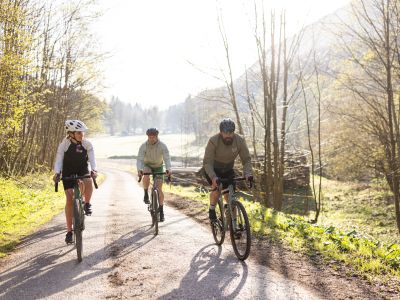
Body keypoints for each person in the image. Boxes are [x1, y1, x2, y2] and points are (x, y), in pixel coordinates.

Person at [53, 120, 97, 244]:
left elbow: (92, 158)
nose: (81, 135)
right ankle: (69, 231)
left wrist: (94, 170)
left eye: (82, 132)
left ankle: (87, 203)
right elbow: (59, 159)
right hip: (67, 170)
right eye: (78, 133)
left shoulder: (87, 144)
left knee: (88, 180)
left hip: (82, 168)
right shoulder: (64, 144)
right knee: (69, 199)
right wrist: (57, 173)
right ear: (71, 133)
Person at [203, 118, 253, 221]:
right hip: (213, 169)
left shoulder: (239, 141)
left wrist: (248, 173)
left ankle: (233, 224)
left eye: (231, 132)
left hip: (228, 169)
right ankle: (212, 209)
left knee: (230, 197)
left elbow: (246, 159)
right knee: (217, 190)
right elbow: (207, 162)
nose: (228, 135)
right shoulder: (213, 141)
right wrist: (213, 177)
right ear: (221, 132)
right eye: (226, 132)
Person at [137, 128, 171, 222]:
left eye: (153, 137)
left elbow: (167, 158)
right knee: (146, 175)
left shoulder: (162, 146)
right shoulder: (144, 146)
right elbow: (140, 159)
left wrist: (168, 169)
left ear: (157, 136)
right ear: (147, 137)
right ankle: (145, 193)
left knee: (159, 189)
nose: (151, 139)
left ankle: (161, 210)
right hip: (147, 165)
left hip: (159, 166)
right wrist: (139, 169)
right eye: (150, 137)